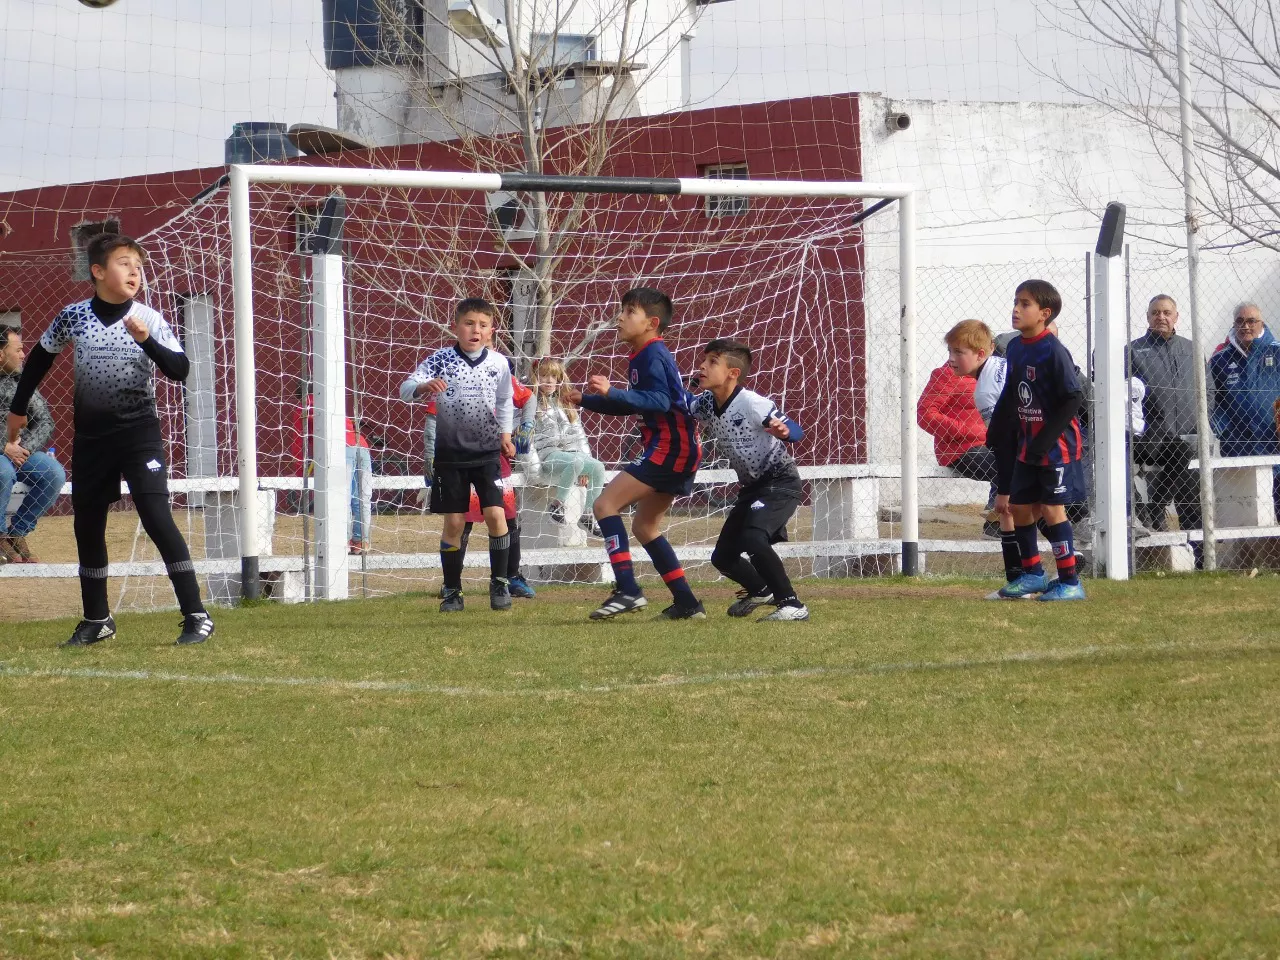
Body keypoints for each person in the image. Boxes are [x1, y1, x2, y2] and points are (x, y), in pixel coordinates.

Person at [5, 233, 215, 645]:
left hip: (139, 437)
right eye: (124, 263)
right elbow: (40, 360)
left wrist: (145, 341)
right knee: (87, 525)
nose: (134, 271)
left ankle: (196, 615)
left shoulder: (149, 318)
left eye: (138, 264)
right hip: (92, 440)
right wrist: (19, 406)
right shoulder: (73, 316)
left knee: (156, 517)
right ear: (98, 272)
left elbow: (179, 370)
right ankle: (97, 620)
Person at [564, 287, 705, 620]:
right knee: (644, 526)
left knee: (604, 505)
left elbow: (657, 402)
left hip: (672, 448)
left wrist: (612, 390)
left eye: (629, 312)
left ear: (651, 323)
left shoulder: (652, 355)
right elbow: (633, 405)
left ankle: (628, 590)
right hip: (678, 449)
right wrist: (583, 399)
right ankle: (686, 602)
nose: (620, 318)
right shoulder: (645, 354)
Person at [399, 297, 515, 612]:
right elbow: (405, 388)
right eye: (468, 323)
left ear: (491, 330)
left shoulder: (499, 363)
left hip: (488, 451)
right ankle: (452, 590)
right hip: (450, 455)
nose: (475, 330)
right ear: (456, 327)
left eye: (482, 324)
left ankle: (501, 582)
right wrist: (423, 388)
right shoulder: (440, 360)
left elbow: (506, 401)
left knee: (495, 514)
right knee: (454, 522)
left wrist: (506, 435)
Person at [692, 338, 809, 621]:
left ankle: (792, 605)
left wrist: (783, 431)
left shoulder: (752, 402)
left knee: (754, 538)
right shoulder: (706, 403)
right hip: (752, 489)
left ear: (733, 372)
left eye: (712, 362)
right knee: (722, 557)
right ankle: (760, 589)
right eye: (703, 361)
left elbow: (795, 431)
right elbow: (677, 405)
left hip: (780, 482)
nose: (702, 366)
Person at [988, 279, 1087, 601]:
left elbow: (1074, 397)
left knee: (1051, 509)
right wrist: (999, 427)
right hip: (1027, 446)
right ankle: (1032, 574)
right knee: (1019, 507)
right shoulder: (1015, 347)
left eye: (1025, 304)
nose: (1016, 309)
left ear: (1044, 313)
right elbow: (1012, 392)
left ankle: (1070, 582)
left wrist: (1045, 440)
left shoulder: (1053, 350)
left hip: (1055, 448)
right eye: (1016, 301)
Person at [424, 366, 539, 599]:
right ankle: (452, 583)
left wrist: (526, 426)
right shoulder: (452, 377)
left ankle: (510, 578)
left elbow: (529, 398)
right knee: (460, 521)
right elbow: (433, 417)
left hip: (494, 459)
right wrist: (430, 454)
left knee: (506, 518)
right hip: (458, 458)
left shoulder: (501, 375)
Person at [917, 319, 1001, 538]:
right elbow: (925, 414)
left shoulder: (992, 375)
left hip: (986, 446)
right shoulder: (945, 375)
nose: (952, 358)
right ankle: (999, 524)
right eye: (950, 351)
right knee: (1008, 469)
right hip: (959, 451)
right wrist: (966, 431)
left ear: (980, 353)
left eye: (958, 352)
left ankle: (996, 526)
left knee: (1014, 465)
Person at [1126, 294, 1202, 535]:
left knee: (1191, 503)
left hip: (1190, 435)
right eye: (1155, 313)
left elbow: (1207, 388)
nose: (1161, 317)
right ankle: (1155, 514)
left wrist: (1202, 419)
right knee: (1172, 470)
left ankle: (1200, 559)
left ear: (1176, 316)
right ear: (1148, 317)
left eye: (1166, 312)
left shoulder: (1191, 349)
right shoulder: (1134, 351)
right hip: (1153, 438)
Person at [0, 327, 66, 564]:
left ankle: (18, 532)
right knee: (3, 471)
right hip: (3, 456)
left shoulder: (21, 382)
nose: (22, 355)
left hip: (18, 452)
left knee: (53, 473)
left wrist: (23, 448)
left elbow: (45, 421)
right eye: (17, 350)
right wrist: (4, 447)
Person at [1209, 301, 1280, 513]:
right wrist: (1224, 431)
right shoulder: (1220, 360)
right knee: (1247, 512)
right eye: (1240, 321)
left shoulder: (1277, 353)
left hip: (1273, 443)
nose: (1246, 326)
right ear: (1233, 324)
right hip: (1238, 444)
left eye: (1251, 321)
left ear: (1262, 323)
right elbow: (1213, 401)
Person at [290, 382, 373, 555]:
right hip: (362, 447)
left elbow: (300, 442)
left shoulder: (303, 409)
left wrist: (301, 474)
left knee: (342, 498)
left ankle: (342, 541)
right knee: (362, 498)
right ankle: (361, 541)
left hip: (339, 450)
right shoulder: (333, 403)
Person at [530, 356, 606, 534]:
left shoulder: (565, 404)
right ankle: (557, 506)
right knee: (575, 463)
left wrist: (587, 460)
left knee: (598, 467)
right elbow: (526, 437)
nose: (549, 381)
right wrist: (532, 468)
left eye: (554, 377)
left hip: (571, 453)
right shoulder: (531, 402)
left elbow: (579, 436)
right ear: (536, 378)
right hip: (548, 455)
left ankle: (588, 515)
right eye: (544, 376)